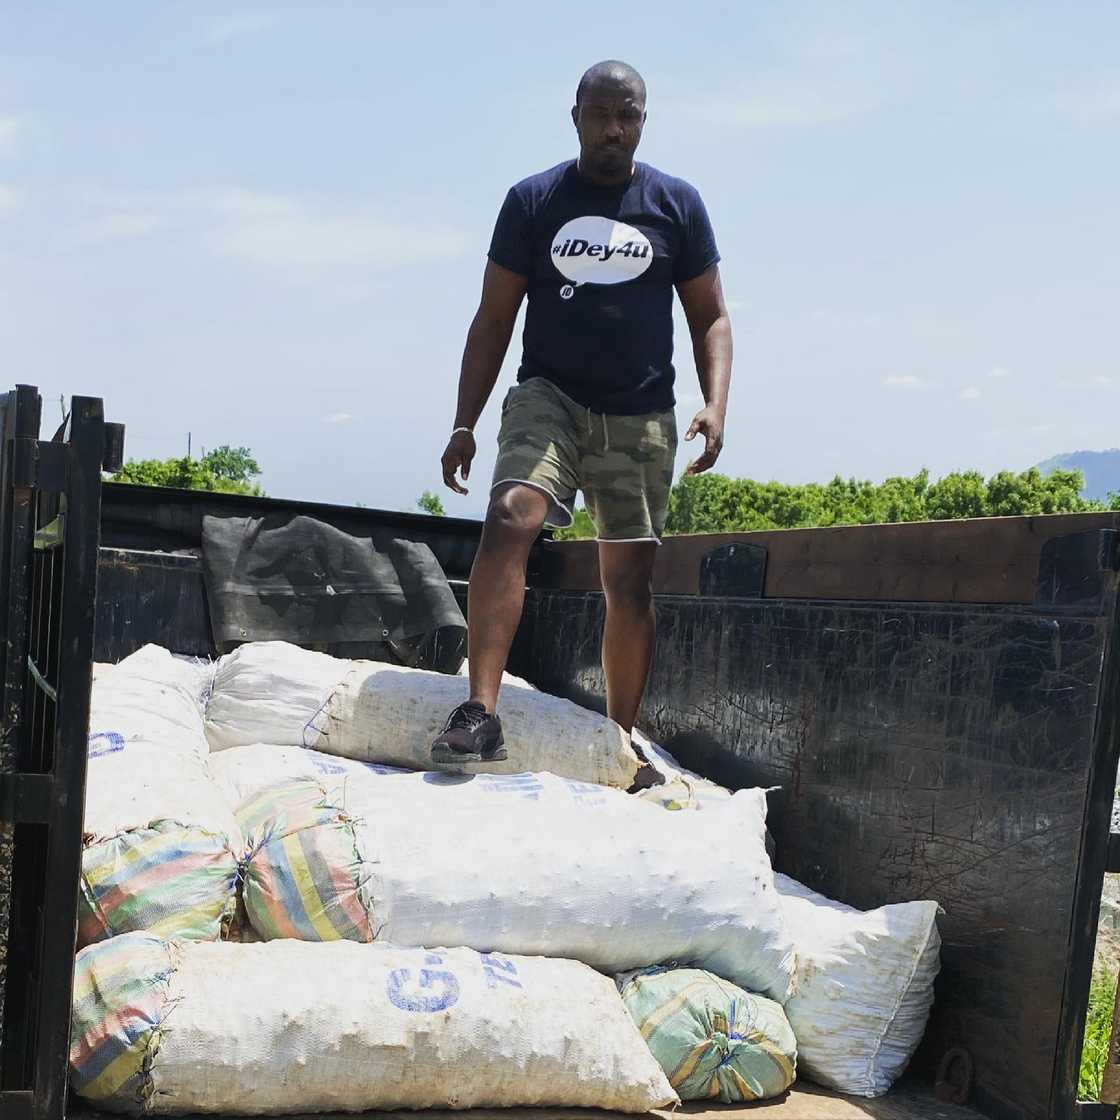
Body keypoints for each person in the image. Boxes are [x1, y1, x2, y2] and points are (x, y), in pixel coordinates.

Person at [431, 59, 732, 764]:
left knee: (628, 584)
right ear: (576, 118)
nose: (613, 130)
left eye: (627, 116)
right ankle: (480, 710)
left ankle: (618, 743)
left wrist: (715, 404)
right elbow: (493, 320)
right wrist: (464, 422)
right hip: (550, 398)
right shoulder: (534, 201)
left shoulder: (677, 205)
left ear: (643, 122)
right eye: (601, 115)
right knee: (511, 516)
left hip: (641, 414)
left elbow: (711, 316)